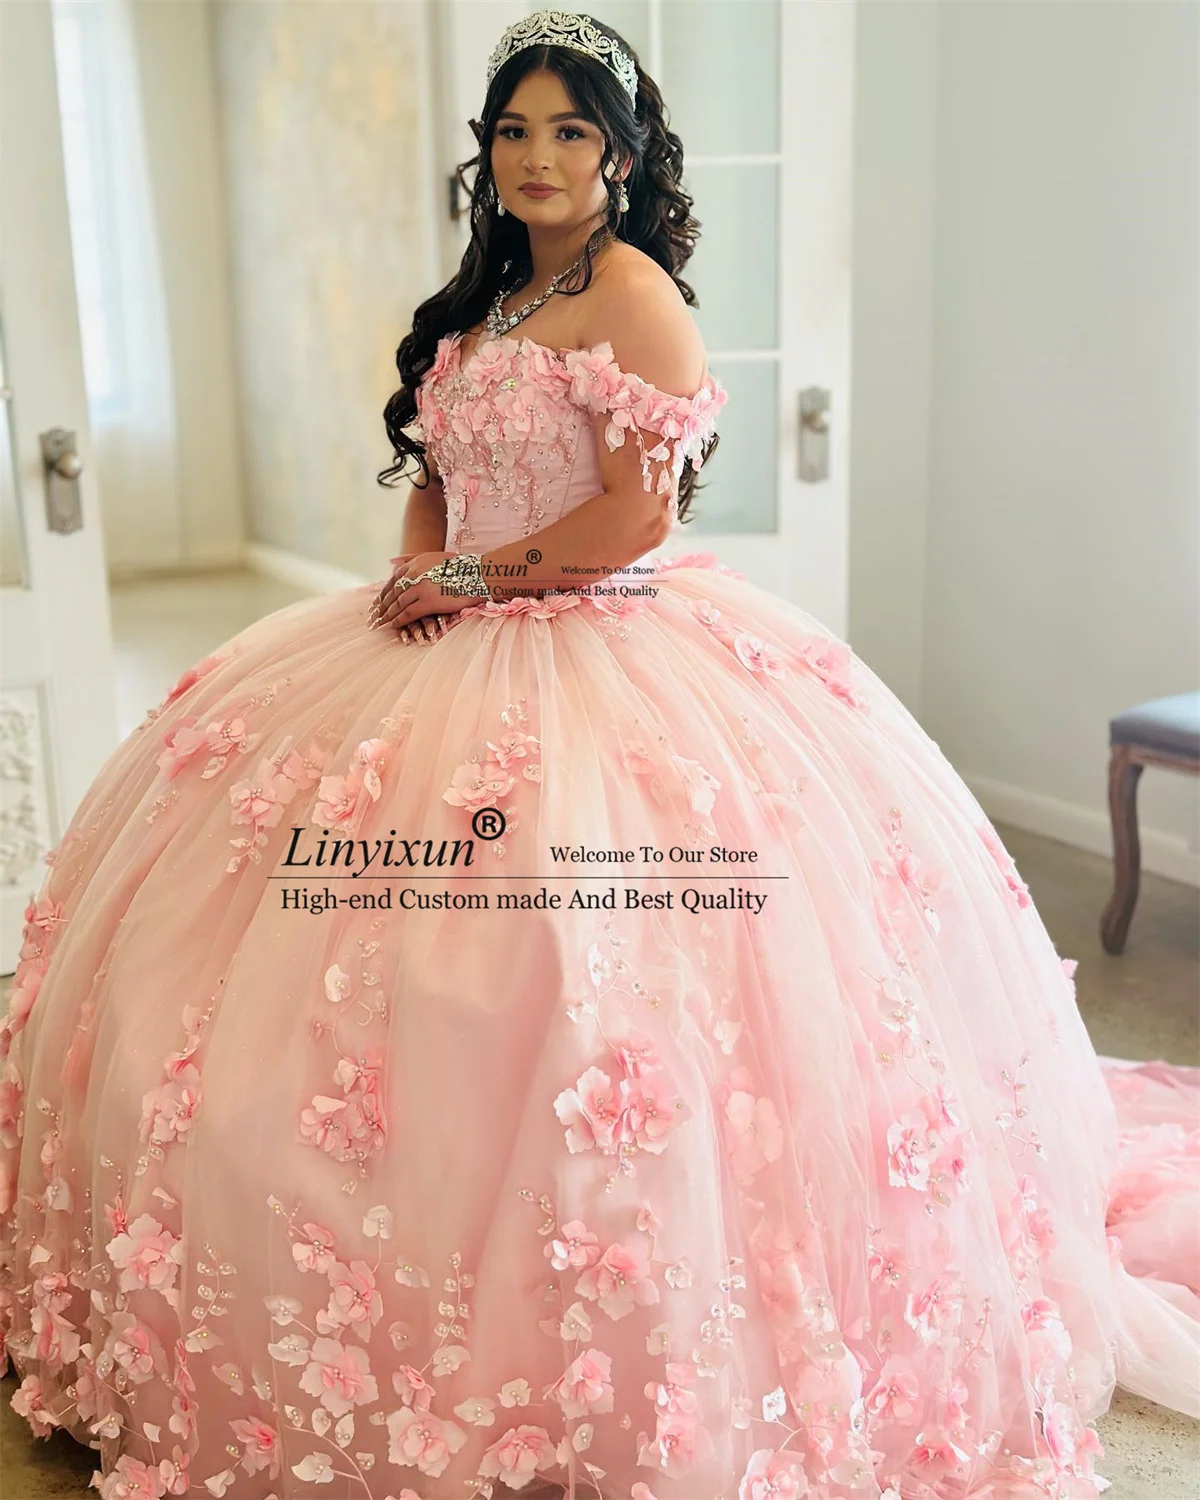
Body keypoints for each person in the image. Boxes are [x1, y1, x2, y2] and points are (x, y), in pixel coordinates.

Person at [1, 11, 1196, 1500]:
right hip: (451, 624)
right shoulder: (485, 297)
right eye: (515, 131)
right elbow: (439, 476)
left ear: (624, 159)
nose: (539, 157)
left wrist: (478, 584)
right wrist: (422, 571)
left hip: (605, 634)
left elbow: (635, 519)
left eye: (573, 132)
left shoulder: (634, 295)